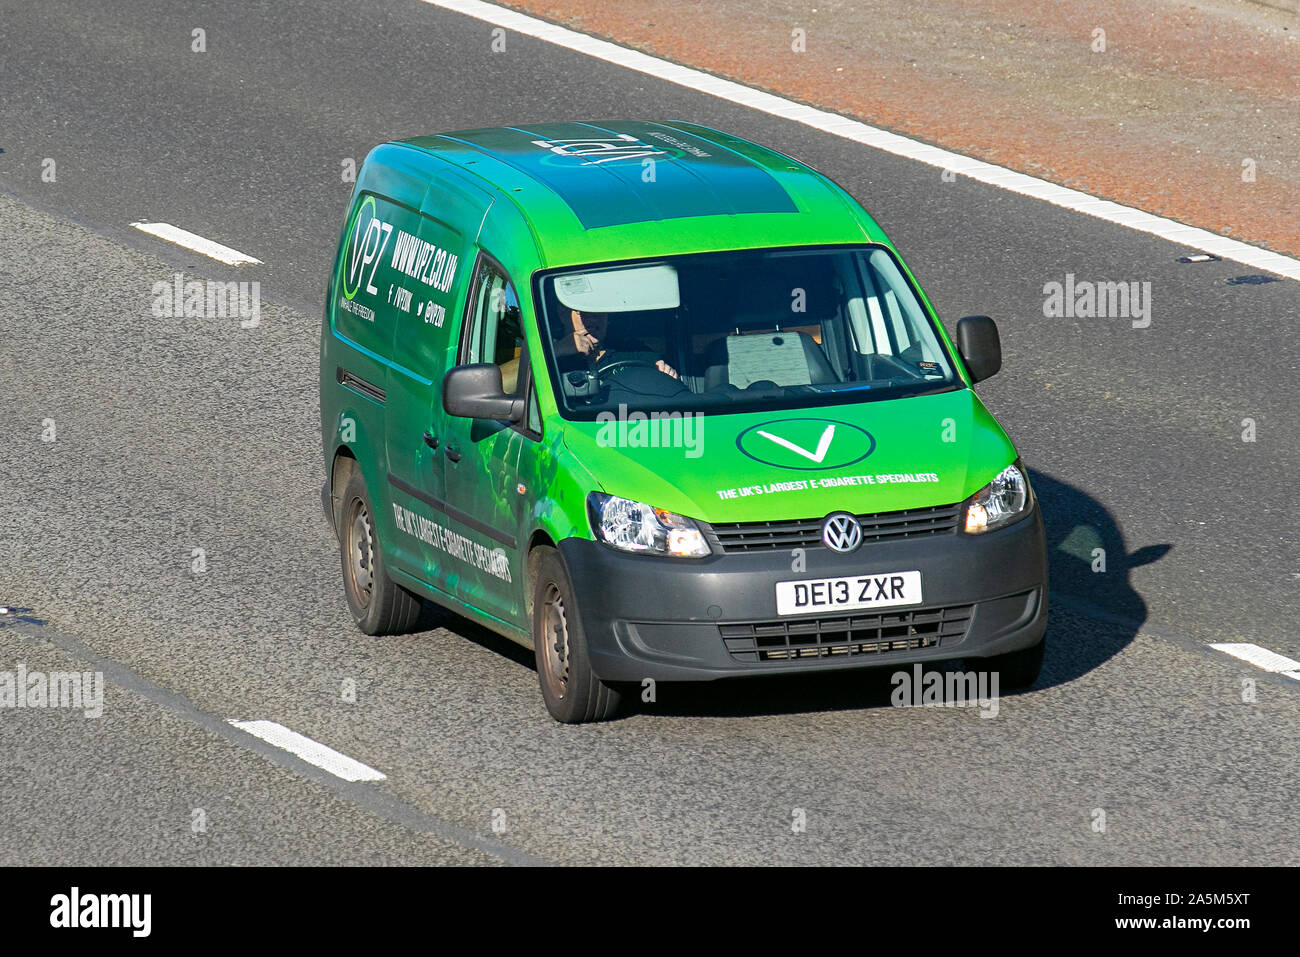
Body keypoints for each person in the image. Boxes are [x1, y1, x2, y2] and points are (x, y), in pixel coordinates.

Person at [556, 310, 679, 379]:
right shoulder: (549, 357)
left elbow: (663, 377)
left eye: (598, 311)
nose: (593, 319)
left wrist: (668, 374)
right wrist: (557, 350)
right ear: (562, 315)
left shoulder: (631, 351)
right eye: (581, 313)